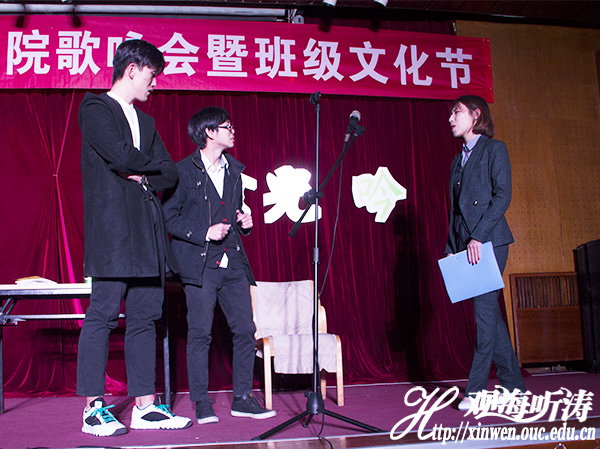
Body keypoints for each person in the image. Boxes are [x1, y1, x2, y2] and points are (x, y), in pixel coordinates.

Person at [77, 39, 192, 436]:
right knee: (103, 315)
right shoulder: (95, 108)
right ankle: (93, 409)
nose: (154, 82)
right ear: (131, 70)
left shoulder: (148, 123)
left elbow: (170, 172)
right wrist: (139, 166)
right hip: (113, 231)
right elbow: (119, 155)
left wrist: (140, 173)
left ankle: (145, 407)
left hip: (148, 232)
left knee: (146, 318)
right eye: (151, 74)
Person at [163, 107, 276, 424]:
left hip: (233, 263)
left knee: (245, 330)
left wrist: (245, 223)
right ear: (209, 132)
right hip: (200, 266)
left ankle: (242, 399)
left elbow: (234, 212)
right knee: (200, 334)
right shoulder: (182, 171)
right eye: (227, 126)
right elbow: (168, 218)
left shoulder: (235, 171)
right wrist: (203, 232)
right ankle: (201, 402)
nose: (233, 131)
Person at [445, 95, 526, 411]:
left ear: (476, 115)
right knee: (489, 314)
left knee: (483, 315)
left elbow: (502, 196)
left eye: (457, 112)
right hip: (466, 245)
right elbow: (455, 211)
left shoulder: (495, 149)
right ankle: (514, 384)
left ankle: (476, 390)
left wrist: (478, 237)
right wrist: (451, 249)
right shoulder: (458, 160)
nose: (451, 118)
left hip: (489, 242)